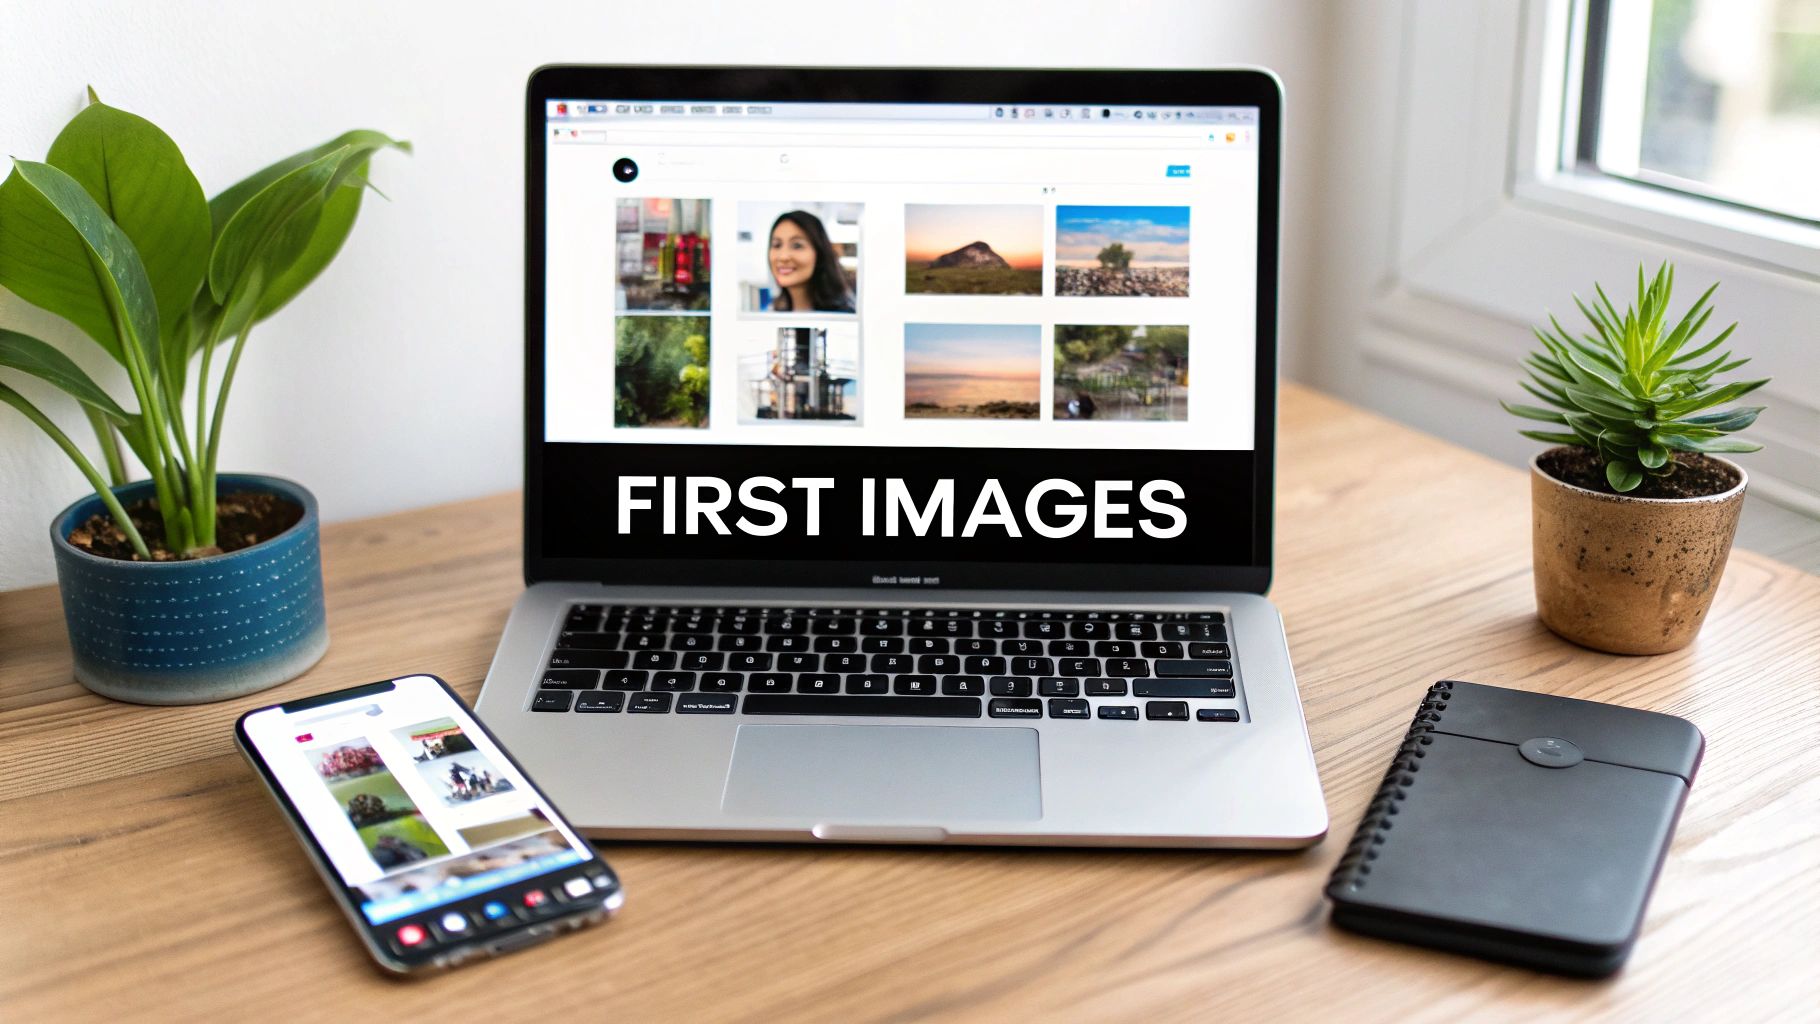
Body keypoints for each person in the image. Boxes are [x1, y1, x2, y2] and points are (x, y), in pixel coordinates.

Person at [767, 210, 855, 313]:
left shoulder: (843, 318)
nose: (783, 257)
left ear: (819, 253)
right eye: (777, 245)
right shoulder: (773, 314)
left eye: (797, 246)